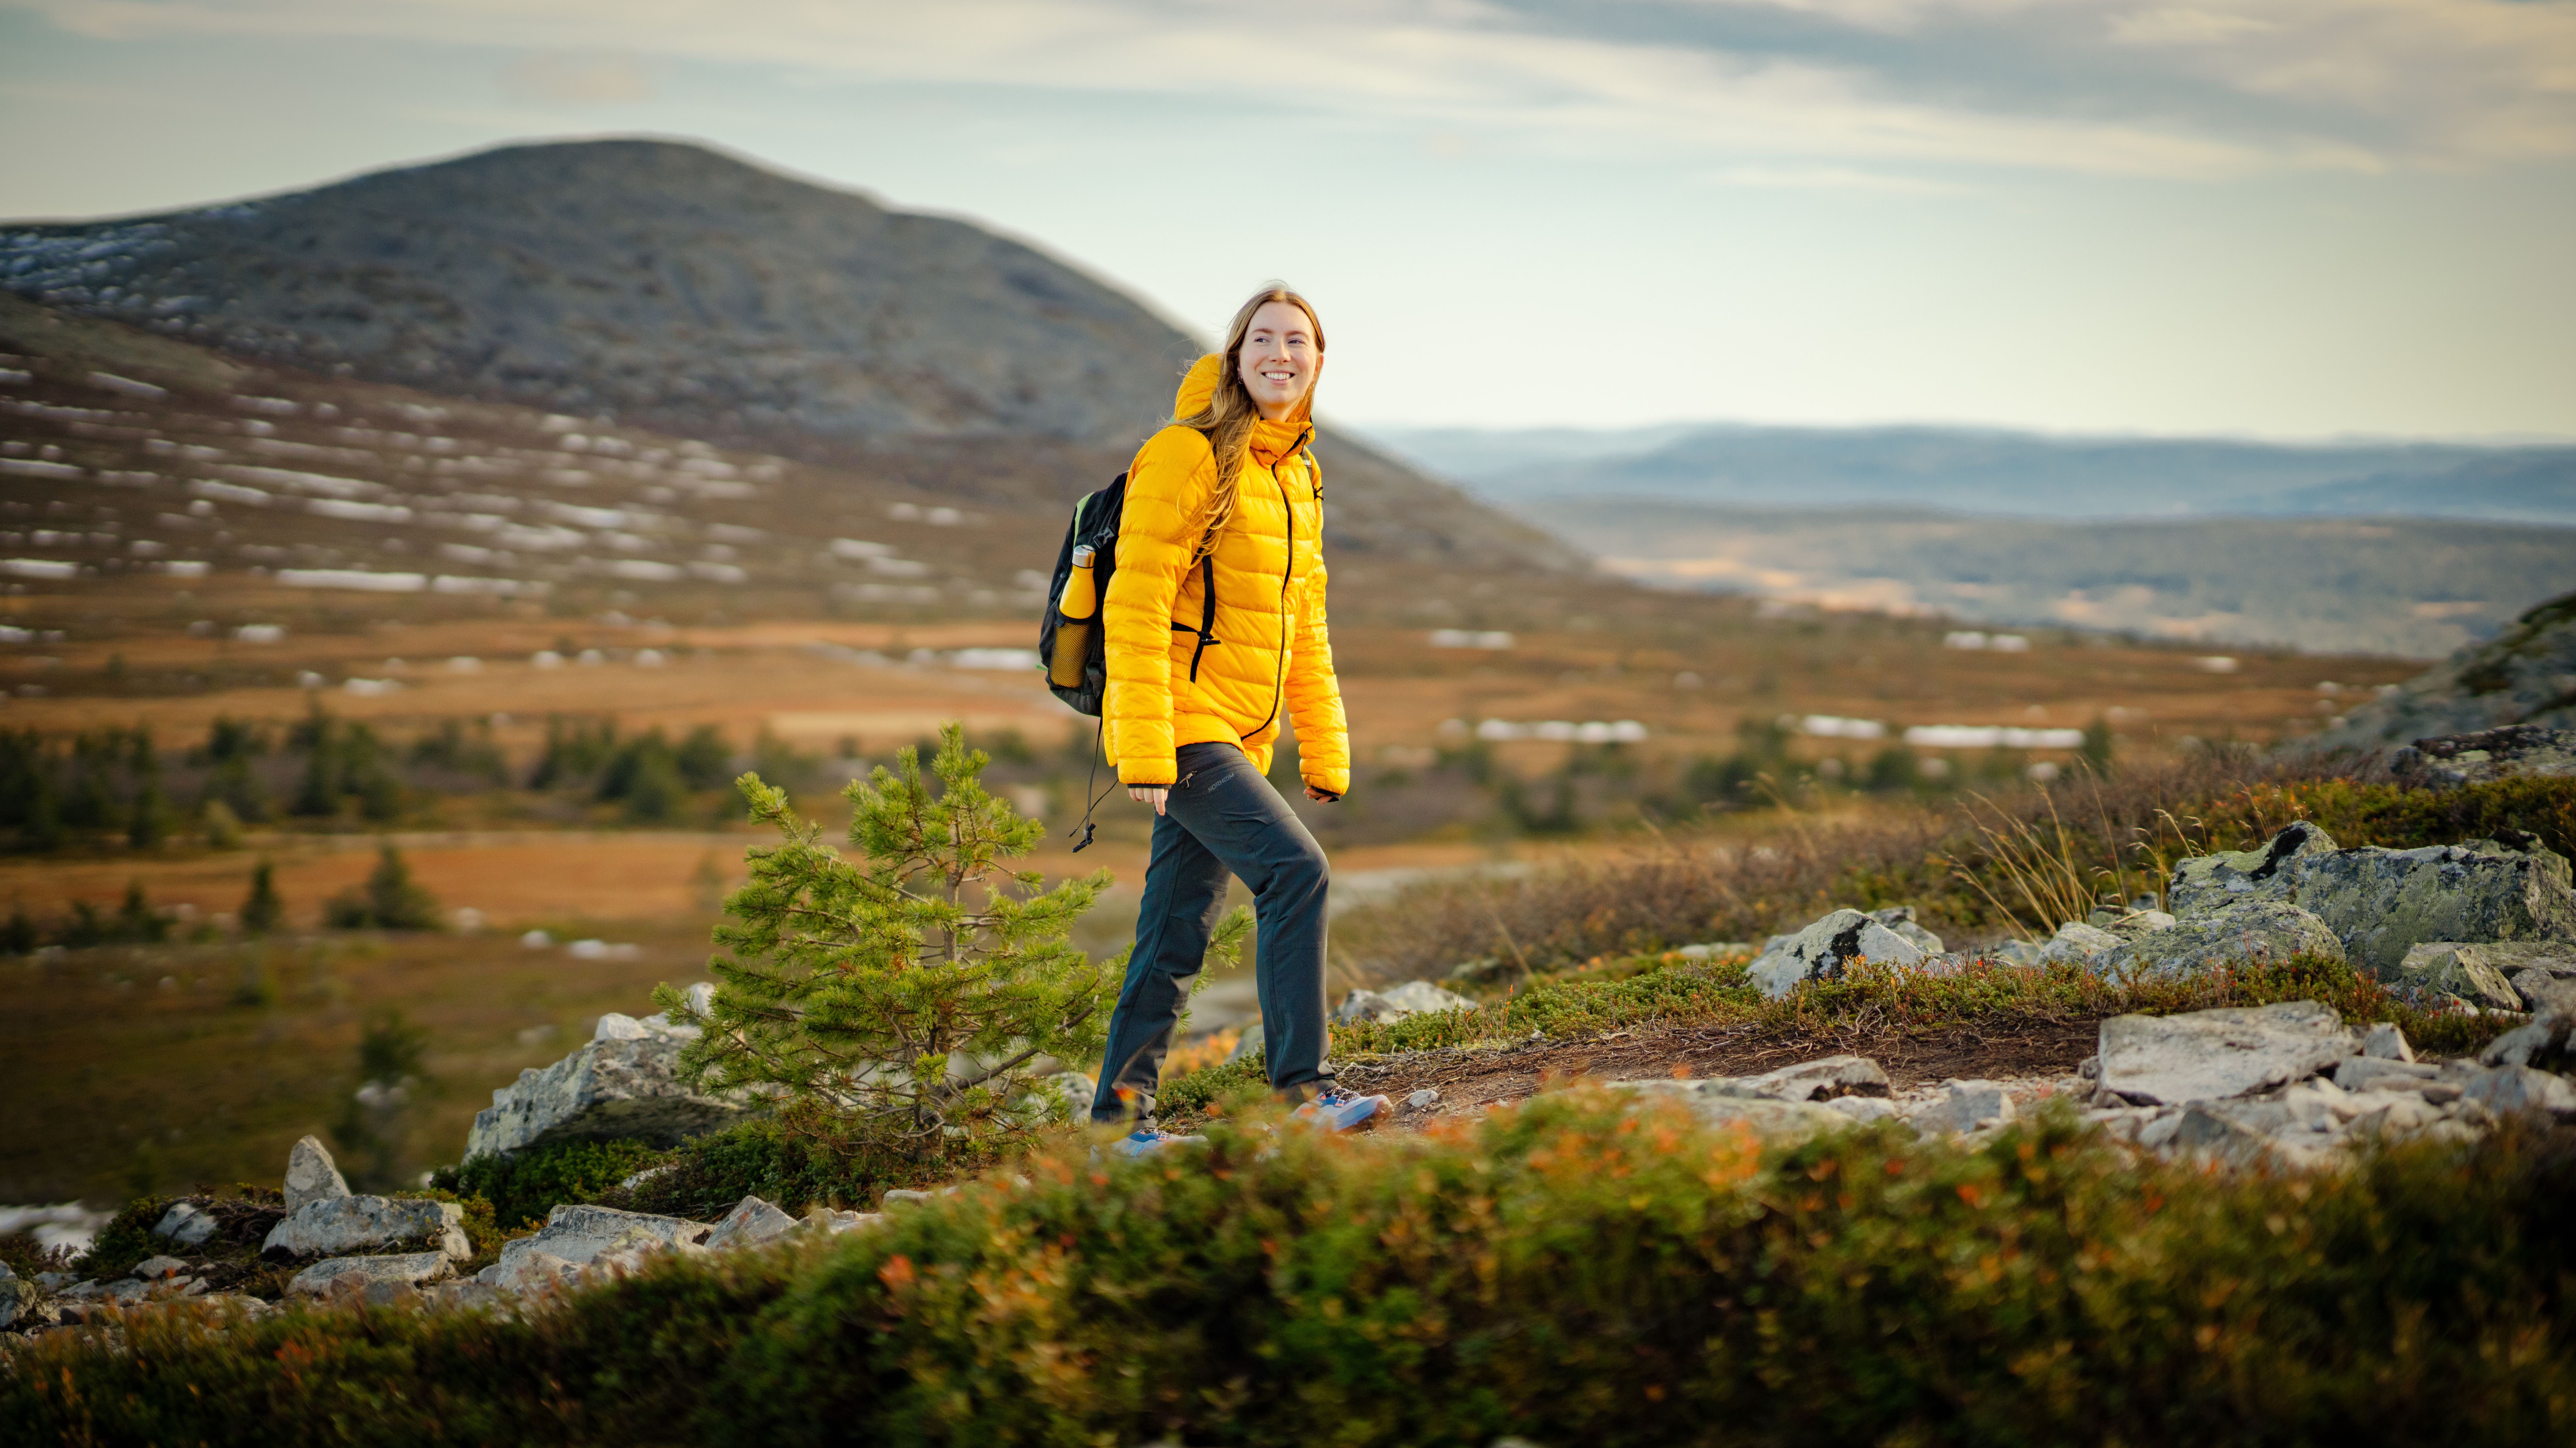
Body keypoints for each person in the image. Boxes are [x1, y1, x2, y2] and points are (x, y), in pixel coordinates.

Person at [1088, 285, 1388, 1153]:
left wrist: (1324, 747)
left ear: (1319, 362)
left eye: (1298, 342)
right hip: (1182, 726)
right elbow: (1135, 606)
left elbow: (1304, 622)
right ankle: (1306, 1092)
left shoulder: (1295, 473)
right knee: (1297, 874)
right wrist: (1143, 748)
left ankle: (1117, 1130)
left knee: (1174, 935)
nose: (1280, 354)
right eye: (1263, 339)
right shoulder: (1187, 456)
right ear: (1235, 355)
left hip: (1240, 738)